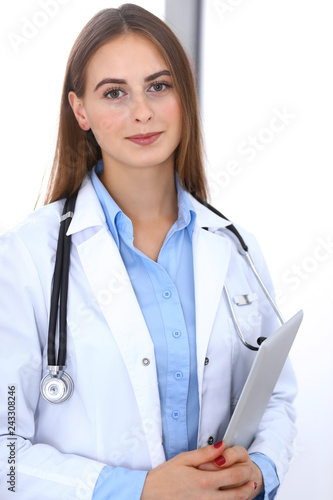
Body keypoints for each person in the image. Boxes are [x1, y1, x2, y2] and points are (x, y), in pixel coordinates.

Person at [0, 4, 297, 499]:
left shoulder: (231, 245)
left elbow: (276, 395)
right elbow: (5, 455)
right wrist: (137, 490)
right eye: (114, 93)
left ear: (185, 95)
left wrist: (260, 468)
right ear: (80, 111)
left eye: (159, 86)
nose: (142, 112)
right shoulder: (26, 258)